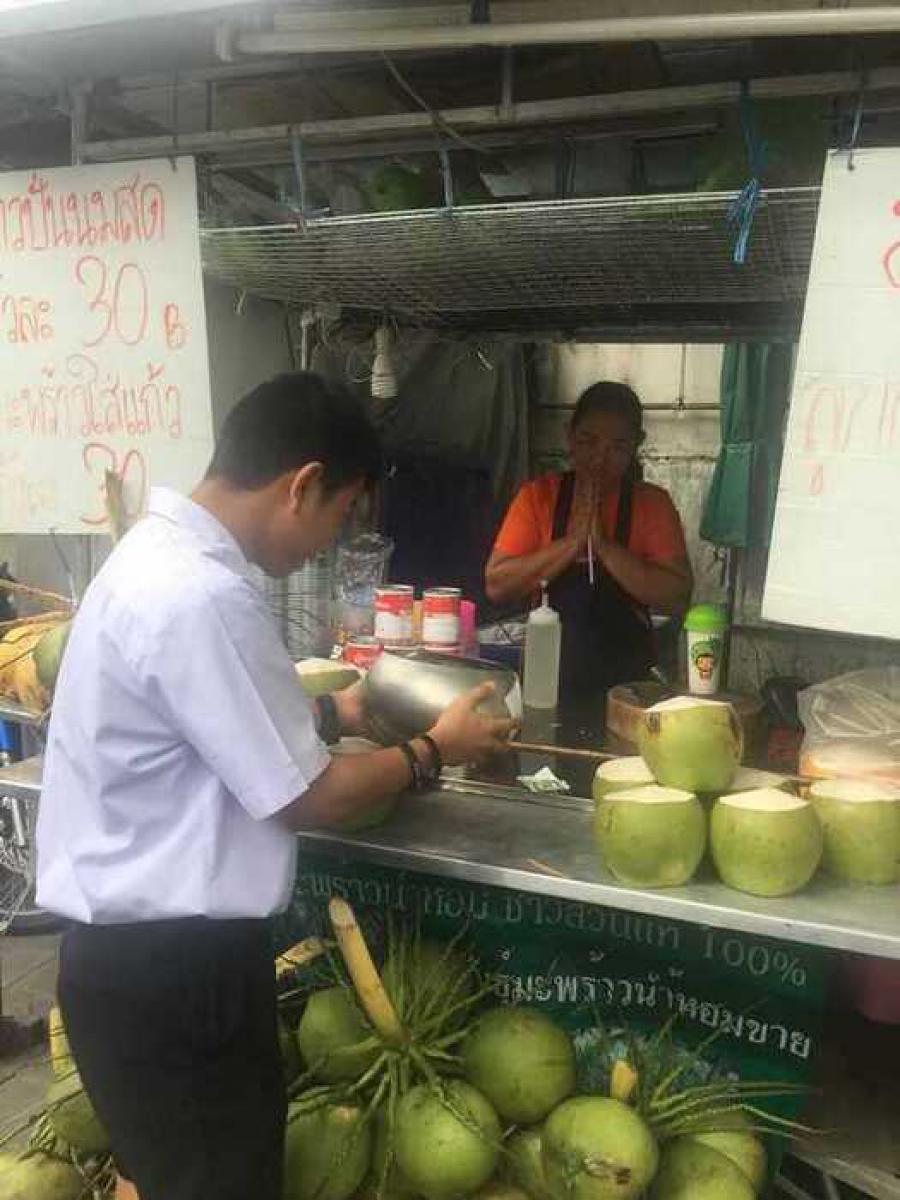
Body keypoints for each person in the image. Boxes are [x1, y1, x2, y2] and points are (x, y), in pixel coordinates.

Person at [36, 372, 514, 1200]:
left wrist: (332, 712)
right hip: (177, 978)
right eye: (340, 514)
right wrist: (436, 749)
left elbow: (204, 731)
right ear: (302, 485)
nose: (329, 545)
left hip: (129, 970)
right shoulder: (204, 593)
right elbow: (309, 798)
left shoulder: (150, 560)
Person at [486, 381, 692, 731]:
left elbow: (677, 595)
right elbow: (497, 584)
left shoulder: (651, 504)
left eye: (618, 447)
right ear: (569, 436)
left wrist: (605, 549)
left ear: (637, 444)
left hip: (628, 694)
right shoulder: (538, 497)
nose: (599, 458)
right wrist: (572, 544)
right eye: (588, 441)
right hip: (546, 684)